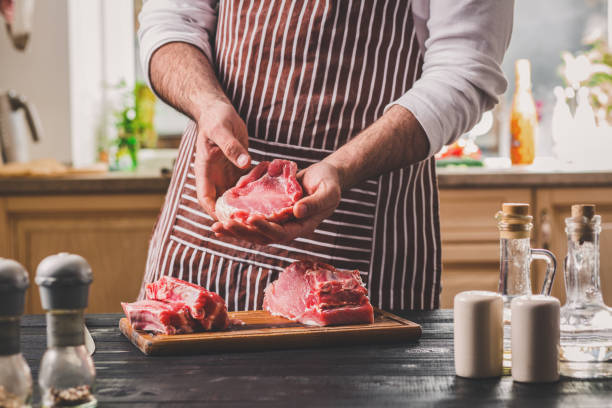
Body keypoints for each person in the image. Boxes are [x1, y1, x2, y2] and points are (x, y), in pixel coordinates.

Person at [138, 0, 513, 311]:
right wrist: (206, 104)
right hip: (205, 227)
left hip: (357, 234)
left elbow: (464, 71)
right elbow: (171, 21)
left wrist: (341, 168)